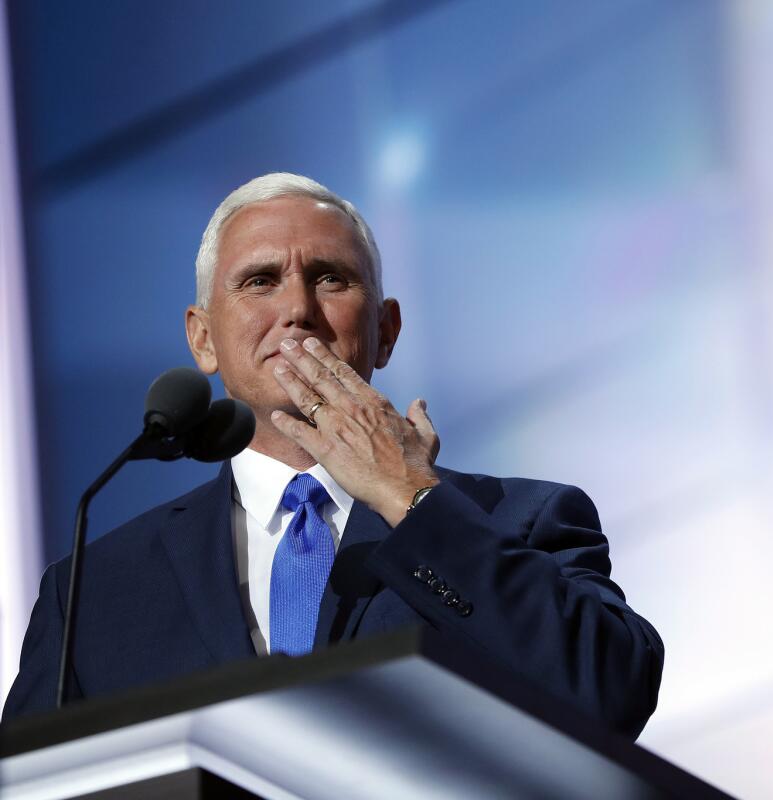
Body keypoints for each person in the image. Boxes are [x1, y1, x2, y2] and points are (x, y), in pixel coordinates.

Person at [2, 173, 664, 737]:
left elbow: (608, 693)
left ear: (386, 331)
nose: (297, 308)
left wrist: (413, 501)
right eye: (260, 280)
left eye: (331, 278)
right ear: (203, 340)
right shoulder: (93, 591)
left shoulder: (519, 518)